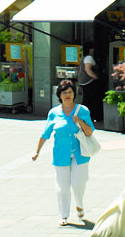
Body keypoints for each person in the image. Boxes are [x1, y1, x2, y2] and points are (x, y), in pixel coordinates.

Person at [30, 80, 95, 226]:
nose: (67, 95)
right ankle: (64, 215)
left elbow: (90, 132)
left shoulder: (82, 110)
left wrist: (80, 121)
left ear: (74, 94)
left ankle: (79, 204)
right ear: (59, 95)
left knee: (79, 183)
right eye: (64, 93)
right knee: (62, 186)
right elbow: (45, 134)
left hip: (81, 154)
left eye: (70, 92)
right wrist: (37, 152)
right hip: (61, 155)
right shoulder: (54, 113)